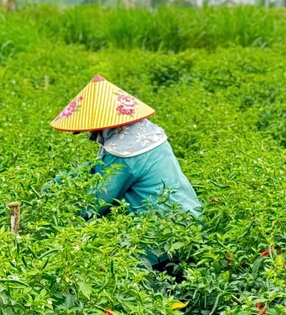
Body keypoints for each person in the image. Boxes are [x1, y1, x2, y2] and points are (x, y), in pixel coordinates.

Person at [50, 75, 202, 264]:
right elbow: (96, 169)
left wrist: (57, 213)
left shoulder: (124, 150)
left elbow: (96, 203)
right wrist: (67, 178)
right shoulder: (143, 133)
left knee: (114, 264)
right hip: (190, 220)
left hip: (161, 236)